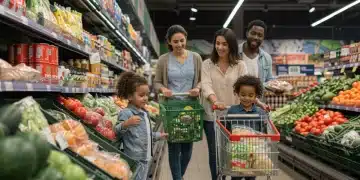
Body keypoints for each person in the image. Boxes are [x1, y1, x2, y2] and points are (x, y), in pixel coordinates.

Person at [201, 28, 269, 180]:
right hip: (214, 116)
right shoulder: (207, 64)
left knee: (237, 151)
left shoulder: (240, 65)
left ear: (231, 45)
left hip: (235, 116)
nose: (220, 47)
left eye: (224, 44)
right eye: (217, 43)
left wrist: (259, 103)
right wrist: (214, 100)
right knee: (216, 152)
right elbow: (206, 85)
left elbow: (246, 88)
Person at [153, 25, 202, 180]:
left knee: (187, 149)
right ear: (169, 42)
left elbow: (202, 80)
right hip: (172, 108)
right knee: (174, 147)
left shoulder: (196, 58)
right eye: (175, 41)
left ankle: (178, 176)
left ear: (186, 39)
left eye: (182, 40)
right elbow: (157, 82)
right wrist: (163, 90)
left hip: (191, 107)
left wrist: (198, 88)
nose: (179, 44)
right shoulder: (163, 60)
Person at [114, 72, 167, 180]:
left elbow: (146, 134)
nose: (145, 98)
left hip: (146, 157)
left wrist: (159, 135)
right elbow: (116, 131)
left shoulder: (144, 113)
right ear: (129, 96)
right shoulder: (127, 113)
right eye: (141, 95)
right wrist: (126, 123)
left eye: (147, 95)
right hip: (134, 159)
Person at [227, 75, 266, 180]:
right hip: (237, 152)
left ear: (256, 96)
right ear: (237, 93)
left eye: (250, 95)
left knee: (251, 176)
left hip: (253, 152)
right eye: (243, 95)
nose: (246, 98)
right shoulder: (232, 111)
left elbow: (263, 132)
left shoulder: (260, 113)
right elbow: (227, 129)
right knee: (236, 177)